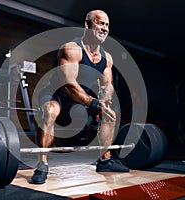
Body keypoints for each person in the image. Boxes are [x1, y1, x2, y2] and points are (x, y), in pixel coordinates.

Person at [31, 9, 129, 184]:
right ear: (87, 25)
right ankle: (42, 164)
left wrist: (104, 102)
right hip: (58, 94)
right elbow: (68, 85)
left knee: (110, 115)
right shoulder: (71, 49)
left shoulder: (107, 58)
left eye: (107, 25)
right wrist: (93, 104)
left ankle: (105, 160)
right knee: (50, 111)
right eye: (100, 23)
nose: (104, 28)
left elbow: (107, 85)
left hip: (82, 99)